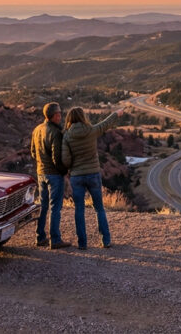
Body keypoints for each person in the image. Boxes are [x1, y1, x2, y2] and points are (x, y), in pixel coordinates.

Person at [62, 107, 124, 250]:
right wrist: (116, 113)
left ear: (69, 119)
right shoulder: (91, 131)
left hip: (77, 176)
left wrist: (74, 165)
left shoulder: (67, 136)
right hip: (93, 174)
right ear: (83, 117)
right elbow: (105, 124)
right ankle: (106, 240)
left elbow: (65, 160)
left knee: (79, 209)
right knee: (99, 208)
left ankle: (82, 243)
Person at [30, 102, 71, 249]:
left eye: (60, 113)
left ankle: (40, 237)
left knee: (43, 206)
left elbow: (33, 152)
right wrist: (64, 172)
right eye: (58, 114)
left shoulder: (37, 129)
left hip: (41, 173)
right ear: (52, 115)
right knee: (55, 207)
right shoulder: (55, 132)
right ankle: (55, 239)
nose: (60, 116)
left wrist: (42, 165)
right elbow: (57, 158)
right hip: (54, 175)